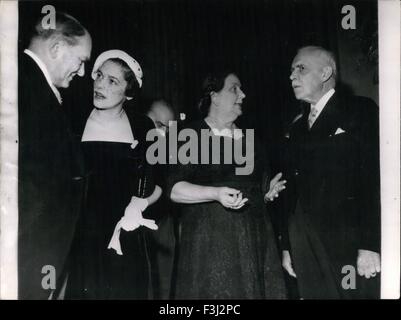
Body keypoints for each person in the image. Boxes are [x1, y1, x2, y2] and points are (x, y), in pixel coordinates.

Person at [165, 71, 287, 299]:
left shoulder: (253, 140)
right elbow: (174, 190)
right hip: (210, 245)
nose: (243, 94)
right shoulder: (190, 134)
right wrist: (216, 193)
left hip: (254, 243)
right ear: (215, 96)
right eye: (234, 89)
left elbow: (258, 189)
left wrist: (266, 194)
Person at [281, 46, 381, 299]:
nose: (292, 76)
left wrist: (370, 244)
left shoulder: (360, 110)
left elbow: (373, 178)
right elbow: (292, 188)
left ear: (326, 73)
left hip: (346, 243)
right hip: (305, 241)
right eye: (291, 70)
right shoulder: (297, 128)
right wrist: (287, 247)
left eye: (300, 68)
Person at [66, 50, 162, 299]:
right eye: (99, 75)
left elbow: (159, 184)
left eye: (112, 81)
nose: (100, 84)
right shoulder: (72, 120)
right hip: (80, 236)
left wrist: (139, 205)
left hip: (124, 232)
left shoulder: (143, 127)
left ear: (128, 93)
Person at [18, 12, 92, 299]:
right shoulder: (24, 88)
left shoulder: (32, 87)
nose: (83, 72)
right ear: (57, 48)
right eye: (82, 60)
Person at [146, 100, 177, 299]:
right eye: (158, 125)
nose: (163, 133)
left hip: (161, 224)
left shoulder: (170, 154)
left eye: (168, 128)